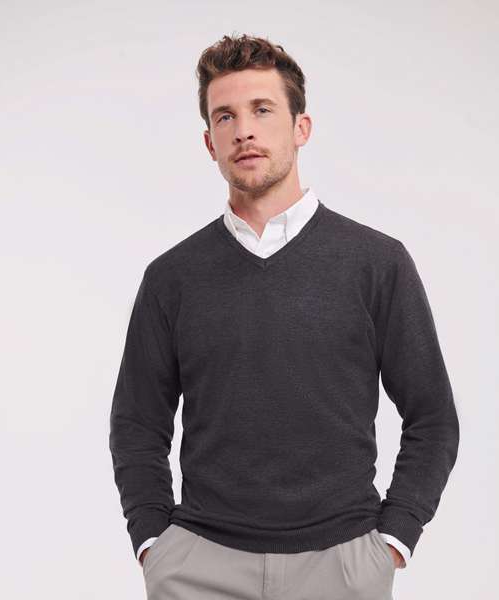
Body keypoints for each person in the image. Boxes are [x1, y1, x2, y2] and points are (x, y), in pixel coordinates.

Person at [109, 33, 460, 599]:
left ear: (302, 127)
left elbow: (433, 416)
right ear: (209, 142)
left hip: (342, 565)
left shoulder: (376, 262)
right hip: (199, 567)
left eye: (262, 110)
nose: (243, 130)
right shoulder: (171, 277)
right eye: (225, 116)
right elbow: (136, 423)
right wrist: (153, 541)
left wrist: (394, 539)